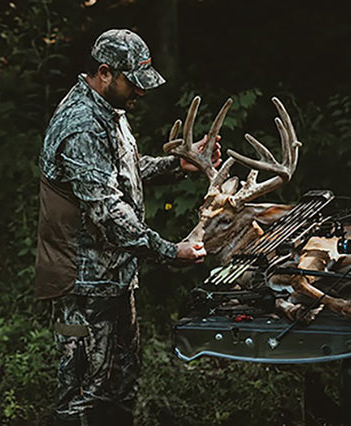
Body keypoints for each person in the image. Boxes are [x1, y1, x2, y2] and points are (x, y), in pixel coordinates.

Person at [35, 29, 220, 425]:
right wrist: (170, 251)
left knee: (121, 386)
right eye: (133, 82)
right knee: (83, 394)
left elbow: (123, 171)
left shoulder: (109, 112)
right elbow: (107, 212)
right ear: (105, 73)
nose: (140, 91)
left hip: (115, 278)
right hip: (84, 287)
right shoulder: (81, 125)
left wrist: (176, 164)